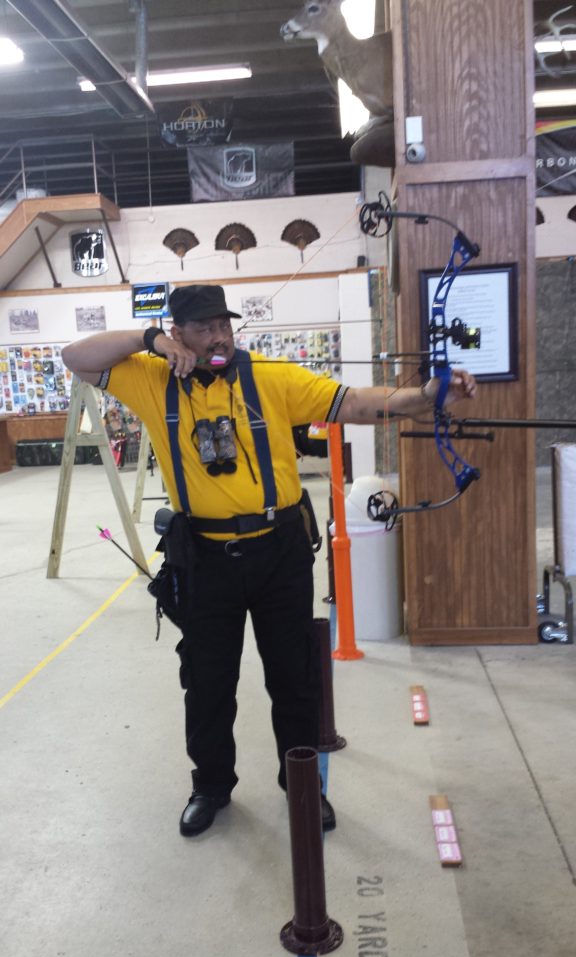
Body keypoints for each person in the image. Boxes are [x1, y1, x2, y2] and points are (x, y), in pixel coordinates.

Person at [62, 284, 477, 838]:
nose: (219, 337)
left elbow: (354, 403)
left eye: (224, 325)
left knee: (294, 678)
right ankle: (211, 785)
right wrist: (147, 340)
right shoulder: (150, 378)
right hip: (204, 559)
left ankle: (302, 784)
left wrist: (426, 396)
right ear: (177, 332)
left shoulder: (270, 378)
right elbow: (75, 358)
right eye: (205, 327)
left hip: (278, 552)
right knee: (207, 681)